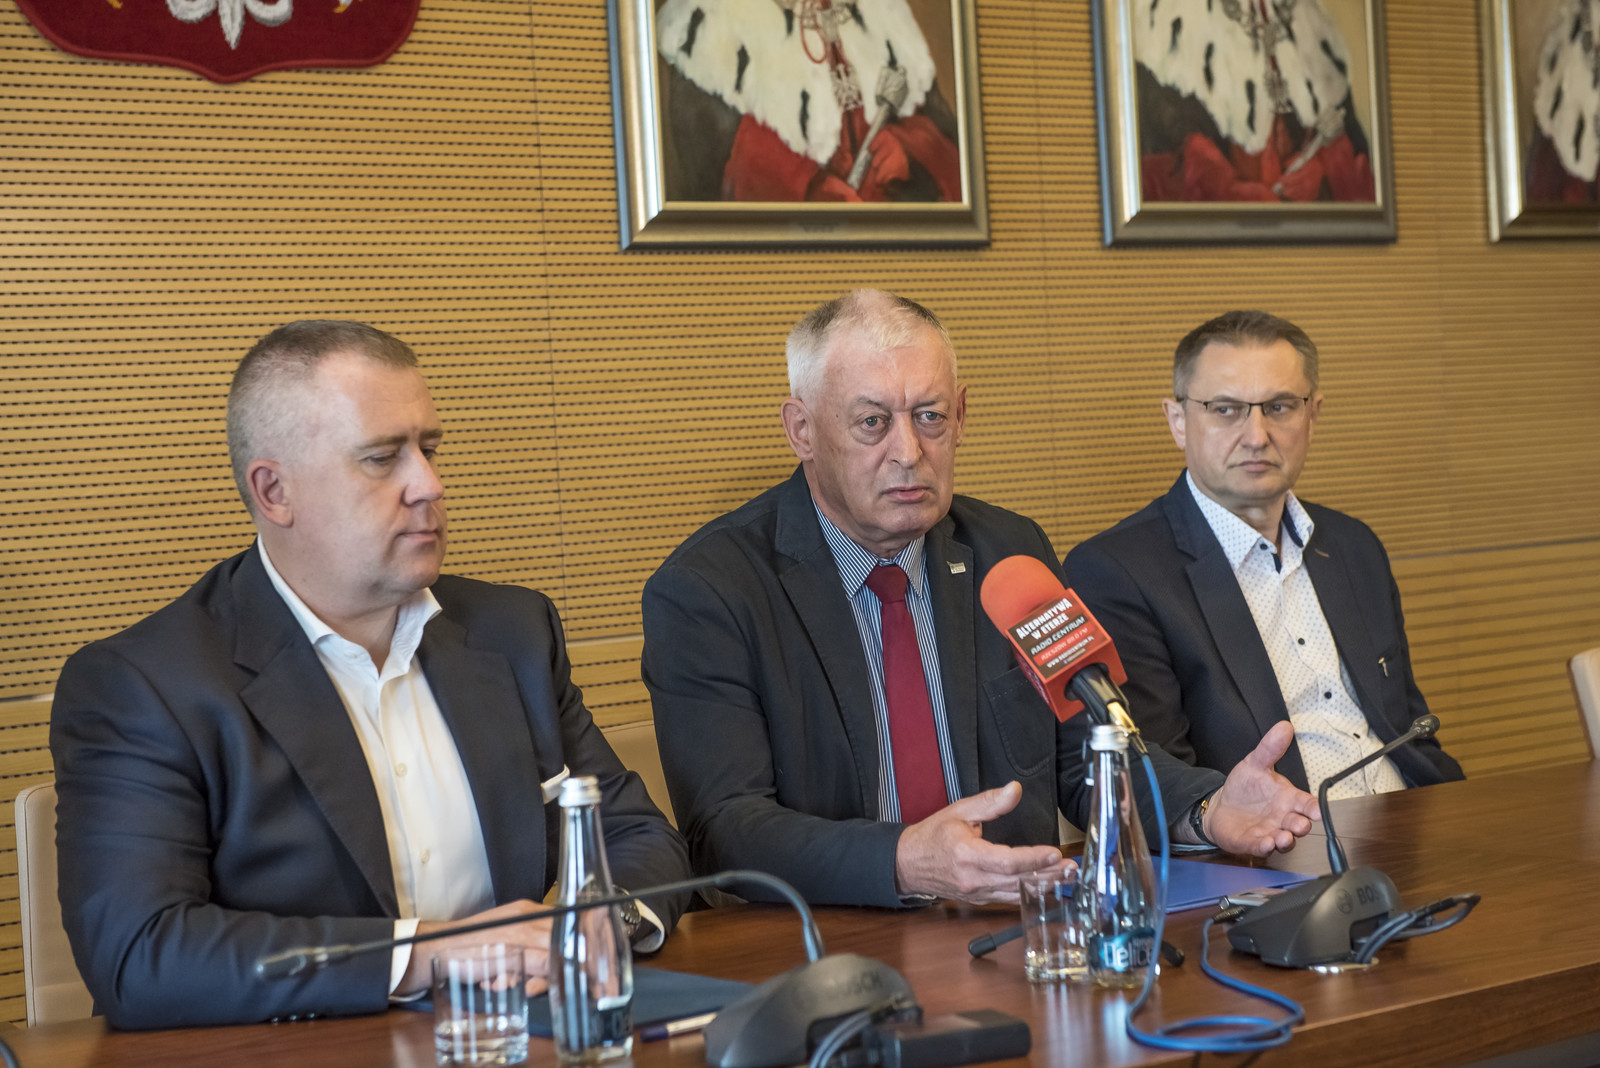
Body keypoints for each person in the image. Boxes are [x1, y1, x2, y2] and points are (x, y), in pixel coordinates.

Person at [50, 321, 691, 1030]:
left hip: (521, 1038)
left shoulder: (513, 632)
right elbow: (140, 955)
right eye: (383, 459)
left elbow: (637, 837)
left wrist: (589, 928)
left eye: (429, 449)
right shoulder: (144, 685)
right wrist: (431, 954)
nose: (429, 485)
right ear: (274, 491)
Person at [640, 290, 1321, 910]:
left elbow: (1087, 753)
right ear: (803, 430)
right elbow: (724, 828)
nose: (909, 451)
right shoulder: (711, 590)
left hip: (1020, 924)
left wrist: (1206, 809)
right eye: (872, 422)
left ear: (961, 415)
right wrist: (903, 861)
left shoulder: (1009, 552)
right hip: (828, 939)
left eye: (930, 416)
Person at [1064, 310, 1463, 800]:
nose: (1256, 436)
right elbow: (1142, 775)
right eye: (1225, 409)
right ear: (1178, 421)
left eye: (1278, 407)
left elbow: (1411, 729)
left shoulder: (1353, 545)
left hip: (1414, 812)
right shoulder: (1116, 573)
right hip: (1282, 836)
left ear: (1312, 417)